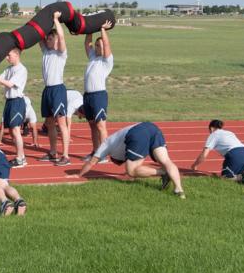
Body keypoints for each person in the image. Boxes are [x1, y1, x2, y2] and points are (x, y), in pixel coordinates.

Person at [77, 122, 186, 198]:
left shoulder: (106, 146)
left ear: (114, 156)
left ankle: (164, 172)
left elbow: (91, 162)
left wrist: (79, 175)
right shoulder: (116, 141)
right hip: (151, 127)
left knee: (131, 171)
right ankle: (179, 190)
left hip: (137, 132)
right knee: (166, 161)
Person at [38, 11, 71, 166]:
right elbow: (39, 35)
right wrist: (43, 17)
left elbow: (62, 36)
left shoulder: (61, 54)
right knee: (50, 123)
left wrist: (56, 20)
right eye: (48, 38)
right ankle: (53, 152)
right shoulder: (46, 51)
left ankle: (65, 156)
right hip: (47, 91)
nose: (47, 40)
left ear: (56, 40)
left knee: (61, 123)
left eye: (50, 38)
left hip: (58, 89)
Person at [0, 48, 28, 168]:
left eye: (9, 55)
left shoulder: (21, 69)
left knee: (15, 129)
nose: (7, 57)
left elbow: (9, 84)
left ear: (16, 55)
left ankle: (21, 158)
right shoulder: (9, 69)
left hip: (17, 102)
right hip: (9, 102)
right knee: (10, 130)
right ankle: (20, 156)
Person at [191, 120, 244, 185]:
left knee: (225, 178)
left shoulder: (213, 134)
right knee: (237, 174)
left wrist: (195, 165)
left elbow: (204, 155)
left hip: (235, 154)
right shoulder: (229, 132)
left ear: (211, 128)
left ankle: (242, 178)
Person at [82, 20, 114, 161]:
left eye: (99, 45)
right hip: (88, 96)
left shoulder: (107, 60)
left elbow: (106, 45)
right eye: (96, 45)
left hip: (99, 96)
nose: (97, 47)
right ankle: (95, 152)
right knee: (92, 126)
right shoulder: (93, 56)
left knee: (101, 125)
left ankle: (104, 154)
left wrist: (102, 29)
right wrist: (89, 28)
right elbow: (86, 43)